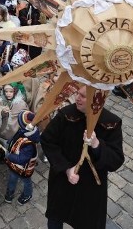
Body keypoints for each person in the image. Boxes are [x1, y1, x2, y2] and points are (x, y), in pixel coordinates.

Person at [41, 85, 125, 229]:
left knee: (87, 222)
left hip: (90, 188)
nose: (77, 98)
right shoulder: (66, 114)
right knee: (56, 218)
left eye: (83, 96)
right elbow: (48, 140)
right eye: (77, 93)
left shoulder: (111, 123)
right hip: (63, 182)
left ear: (96, 100)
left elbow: (116, 160)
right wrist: (66, 168)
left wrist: (97, 144)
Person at [4, 110, 40, 205]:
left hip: (23, 169)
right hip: (15, 166)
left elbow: (22, 160)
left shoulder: (28, 144)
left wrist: (9, 156)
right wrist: (10, 142)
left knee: (26, 182)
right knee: (12, 178)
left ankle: (27, 194)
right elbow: (16, 137)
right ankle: (10, 193)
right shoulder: (24, 130)